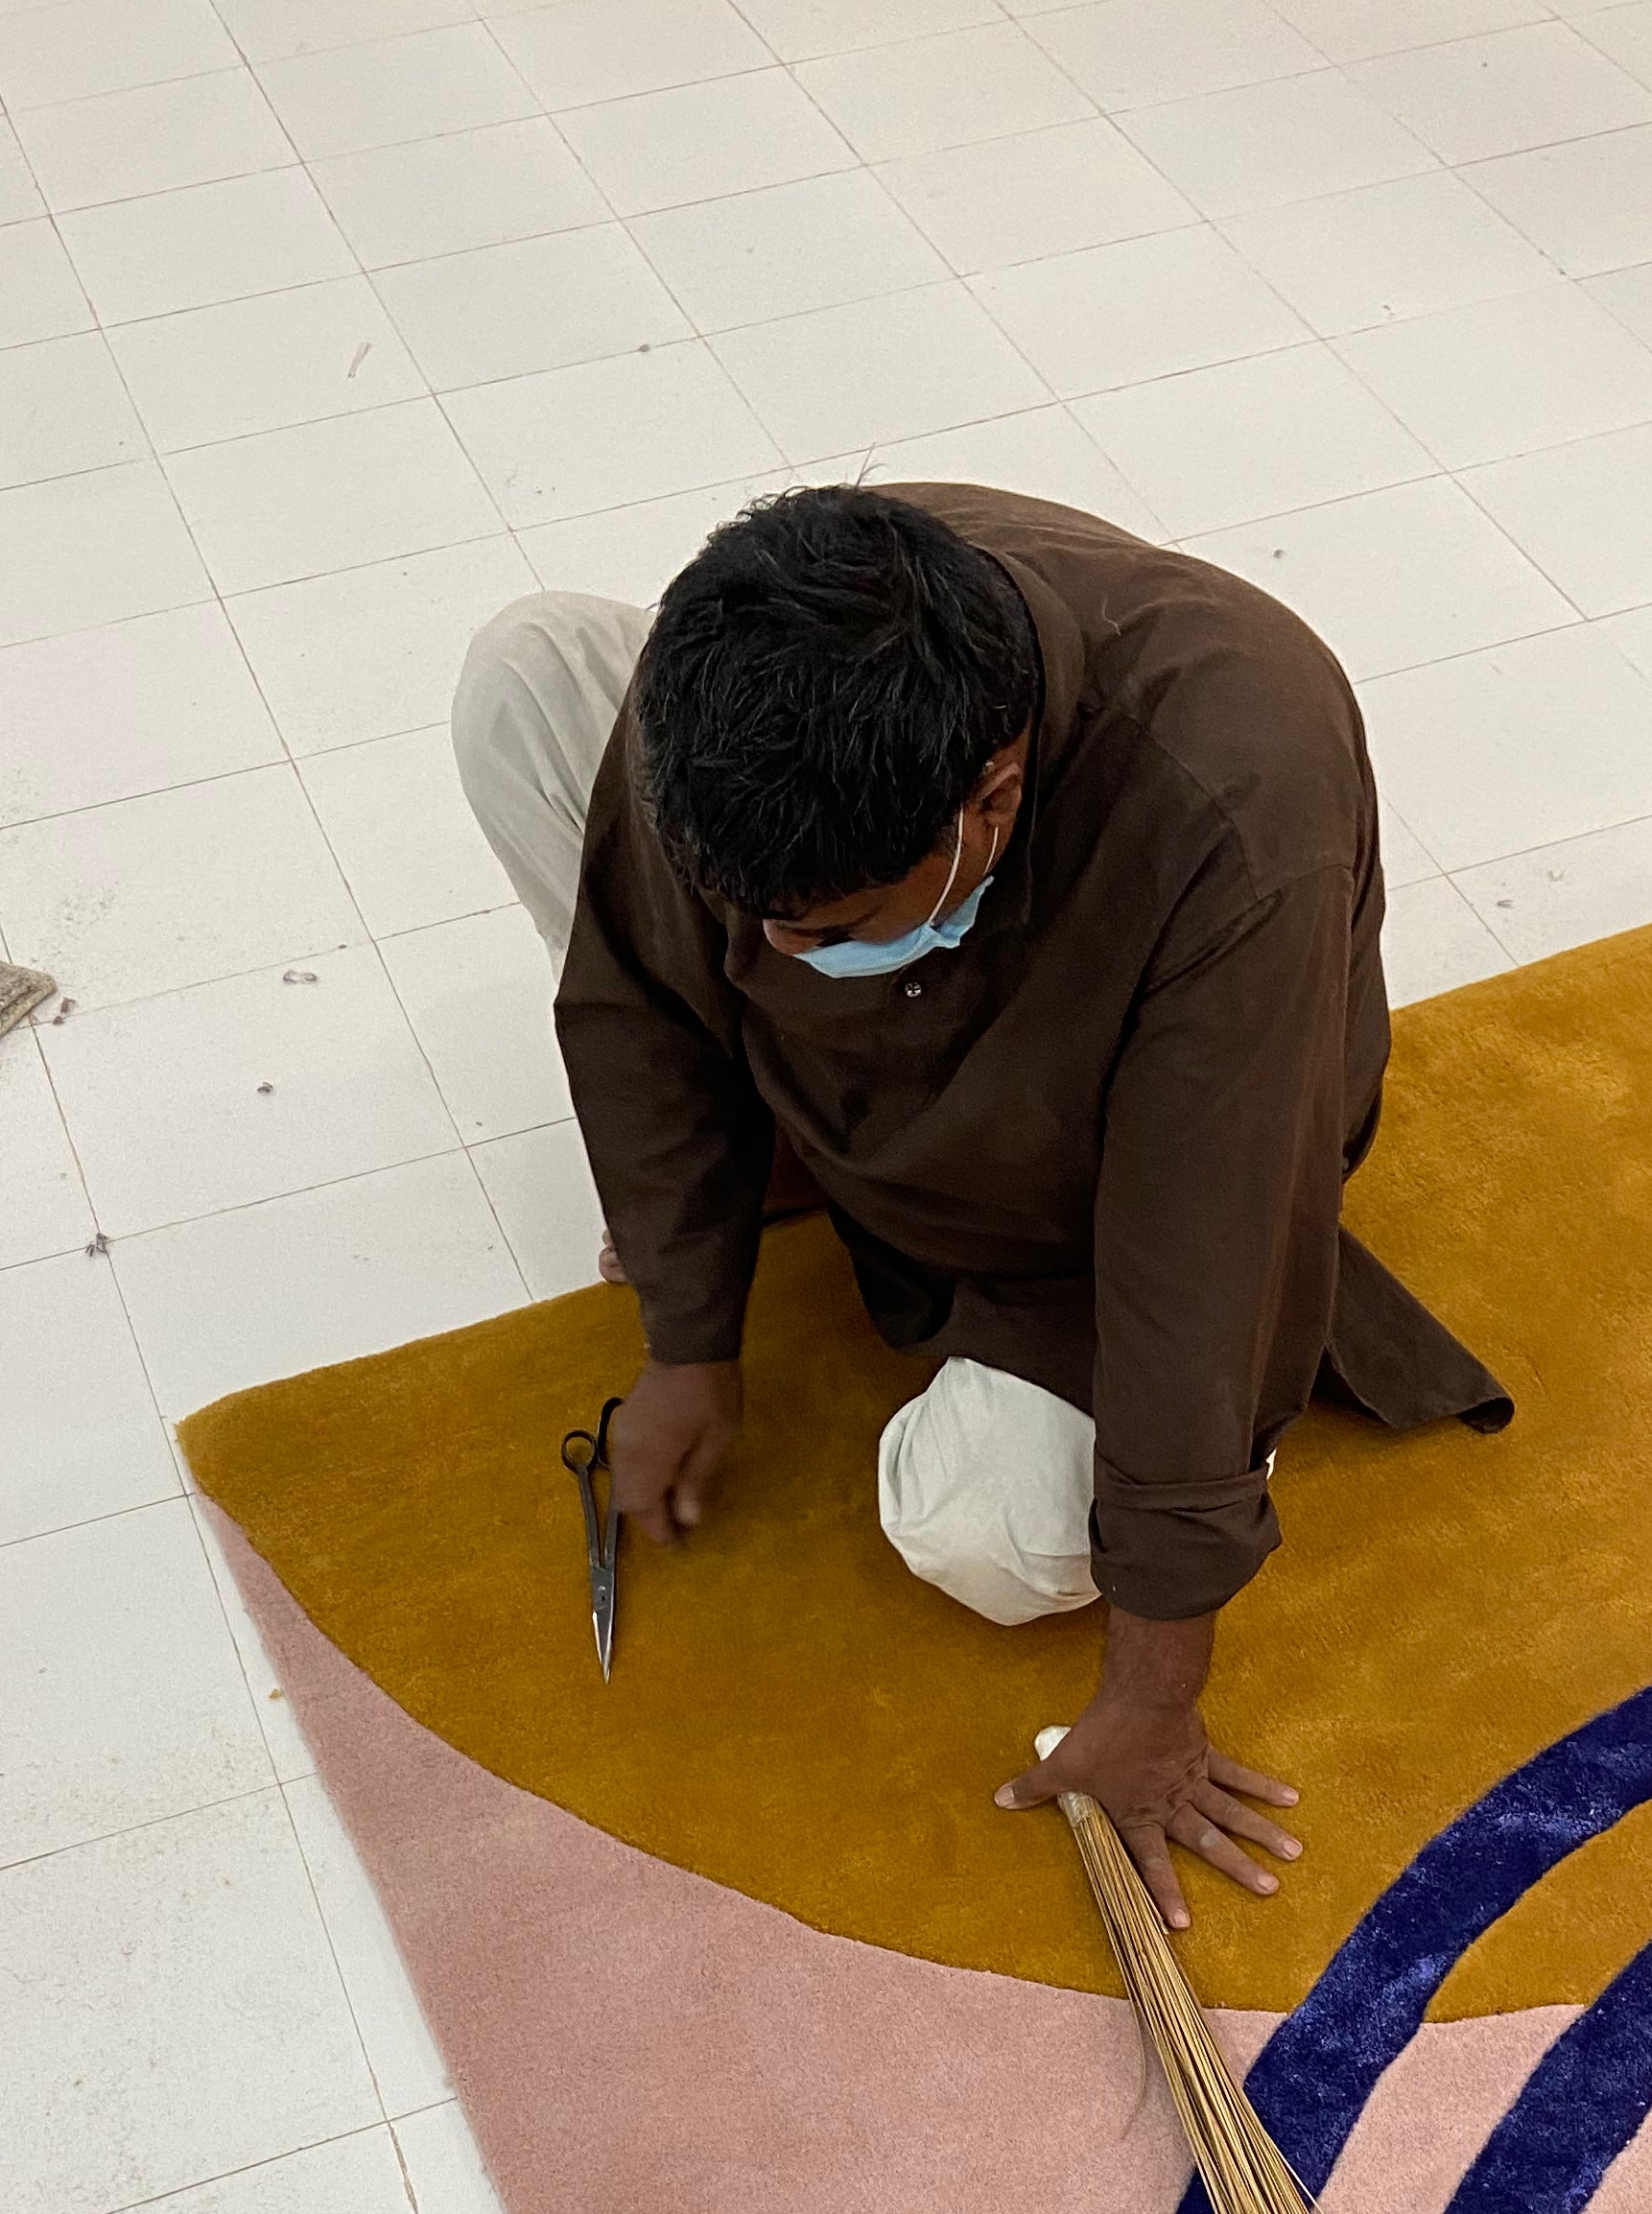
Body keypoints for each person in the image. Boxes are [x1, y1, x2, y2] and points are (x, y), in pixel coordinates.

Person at [451, 483, 1510, 1929]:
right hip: (875, 1076)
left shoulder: (1235, 803)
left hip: (1083, 1197)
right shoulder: (777, 649)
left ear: (987, 810)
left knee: (986, 1538)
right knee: (524, 672)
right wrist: (689, 1337)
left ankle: (834, 1162)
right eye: (753, 923)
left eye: (817, 930)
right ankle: (786, 1141)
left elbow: (1206, 1253)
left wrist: (1154, 1694)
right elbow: (643, 984)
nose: (762, 952)